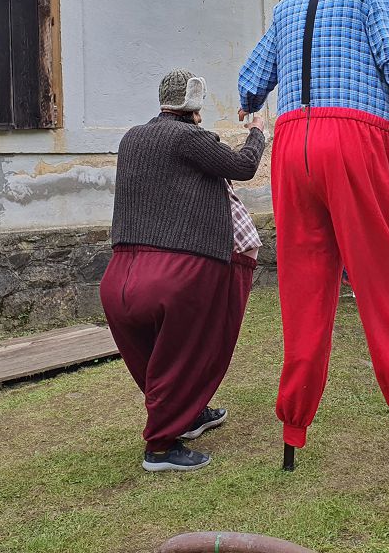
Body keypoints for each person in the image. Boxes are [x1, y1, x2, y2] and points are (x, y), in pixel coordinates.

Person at [238, 0, 389, 476]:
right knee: (388, 283)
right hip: (357, 140)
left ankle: (293, 429)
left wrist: (248, 102)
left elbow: (251, 80)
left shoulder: (285, 8)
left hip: (293, 148)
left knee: (303, 292)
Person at [100, 69, 266, 473]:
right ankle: (160, 449)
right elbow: (243, 166)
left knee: (155, 359)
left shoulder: (131, 138)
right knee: (190, 353)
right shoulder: (190, 137)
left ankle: (188, 415)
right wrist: (258, 132)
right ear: (195, 104)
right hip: (176, 271)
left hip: (120, 274)